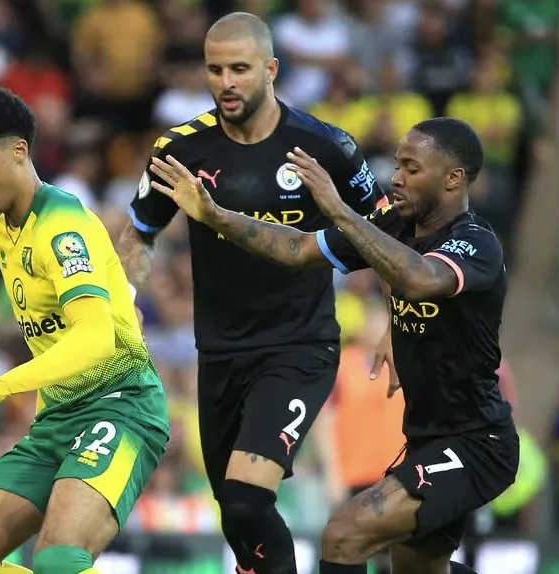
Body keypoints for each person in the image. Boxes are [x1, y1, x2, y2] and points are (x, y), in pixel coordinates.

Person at [150, 117, 518, 574]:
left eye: (412, 168)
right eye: (397, 165)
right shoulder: (394, 224)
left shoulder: (476, 242)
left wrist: (342, 211)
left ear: (453, 178)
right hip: (426, 438)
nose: (396, 178)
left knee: (345, 533)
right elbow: (300, 249)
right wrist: (215, 216)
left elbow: (421, 279)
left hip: (478, 442)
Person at [117, 12, 385, 574]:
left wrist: (397, 322)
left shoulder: (325, 146)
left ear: (271, 69)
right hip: (219, 354)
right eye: (215, 70)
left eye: (239, 69)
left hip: (298, 347)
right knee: (238, 523)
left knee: (245, 497)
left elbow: (384, 233)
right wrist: (124, 303)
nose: (226, 83)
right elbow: (139, 233)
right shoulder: (181, 149)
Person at [0, 87, 170, 574]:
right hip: (57, 418)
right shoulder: (0, 229)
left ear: (19, 151)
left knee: (59, 561)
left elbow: (94, 337)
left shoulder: (61, 226)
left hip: (121, 406)